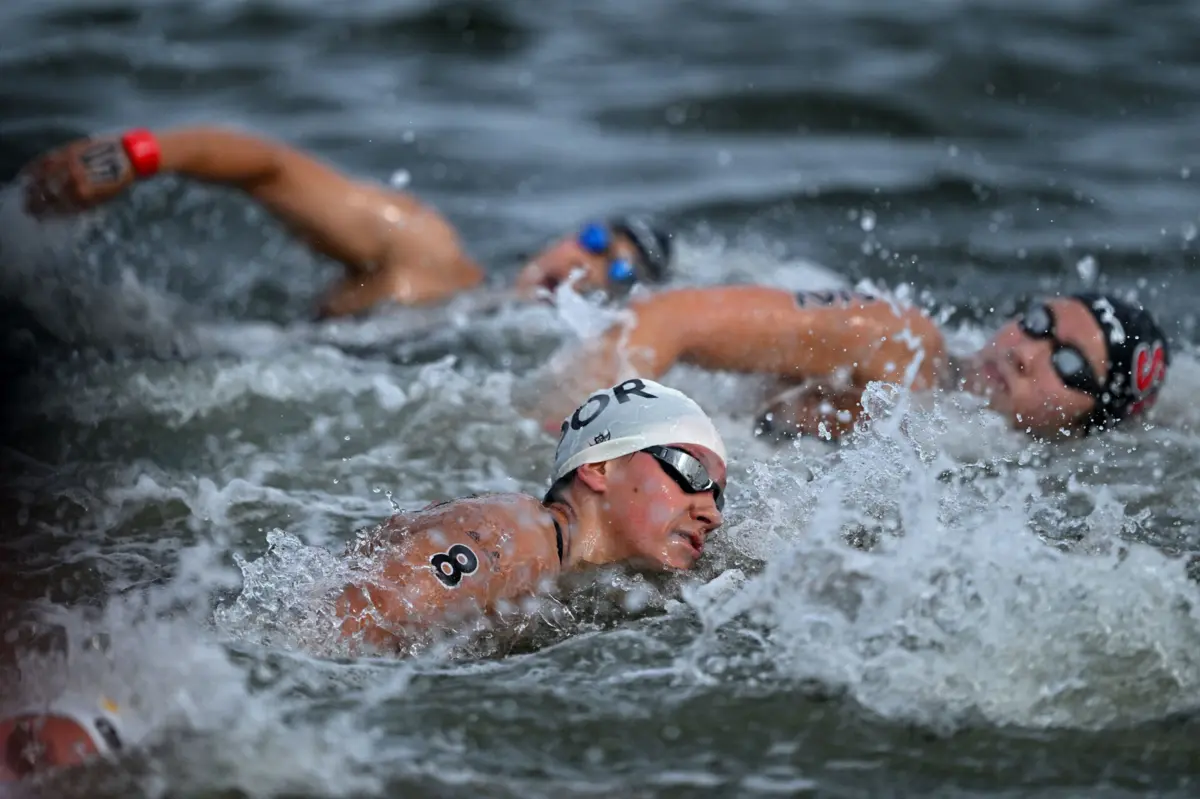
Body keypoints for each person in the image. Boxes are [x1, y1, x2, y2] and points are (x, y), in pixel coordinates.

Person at [17, 125, 675, 318]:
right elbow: (270, 167)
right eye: (592, 240)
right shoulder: (428, 258)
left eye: (614, 270)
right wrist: (133, 156)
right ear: (565, 236)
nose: (586, 265)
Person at [335, 377, 727, 653]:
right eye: (692, 471)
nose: (712, 513)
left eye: (720, 496)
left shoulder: (571, 578)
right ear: (600, 468)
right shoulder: (507, 534)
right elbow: (336, 639)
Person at [523, 285, 1170, 442]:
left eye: (1067, 362)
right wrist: (566, 434)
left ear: (1093, 420)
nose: (1023, 350)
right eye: (1036, 322)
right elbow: (667, 318)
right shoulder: (896, 343)